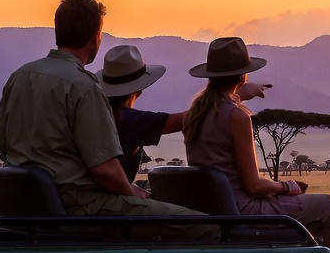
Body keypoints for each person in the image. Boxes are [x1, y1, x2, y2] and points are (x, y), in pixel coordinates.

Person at [0, 0, 214, 237]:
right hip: (80, 207)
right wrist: (132, 192)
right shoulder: (83, 86)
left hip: (28, 207)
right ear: (95, 36)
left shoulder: (19, 76)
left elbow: (2, 146)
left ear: (58, 31)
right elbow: (104, 170)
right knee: (206, 226)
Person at [183, 37, 330, 253]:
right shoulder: (237, 116)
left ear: (210, 76)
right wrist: (287, 186)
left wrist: (240, 95)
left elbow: (222, 109)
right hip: (243, 212)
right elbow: (254, 186)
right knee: (325, 205)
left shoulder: (195, 114)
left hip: (216, 210)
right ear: (243, 75)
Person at [95, 44, 269, 183]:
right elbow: (193, 116)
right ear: (140, 89)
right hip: (110, 200)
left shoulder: (100, 114)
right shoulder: (132, 120)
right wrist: (239, 94)